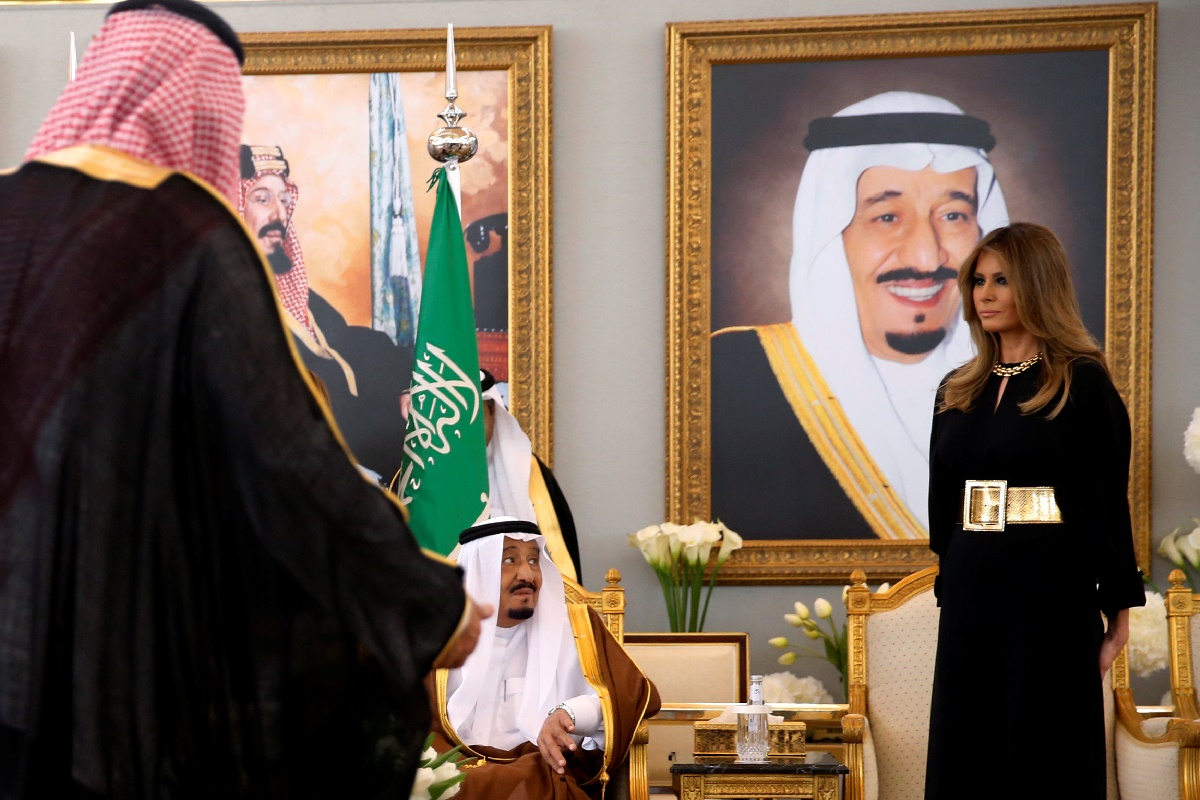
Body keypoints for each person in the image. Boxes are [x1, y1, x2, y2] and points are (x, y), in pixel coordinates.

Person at [0, 2, 488, 797]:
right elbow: (290, 462)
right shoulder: (184, 231)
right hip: (119, 678)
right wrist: (424, 604)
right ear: (198, 103)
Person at [711, 90, 1010, 541]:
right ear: (831, 238)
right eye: (887, 217)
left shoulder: (1026, 387)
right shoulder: (735, 376)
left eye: (953, 215)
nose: (927, 256)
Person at [923, 223, 1145, 799]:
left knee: (1044, 753)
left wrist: (1117, 606)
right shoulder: (956, 388)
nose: (986, 294)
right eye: (978, 281)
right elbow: (943, 501)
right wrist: (951, 576)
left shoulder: (1081, 382)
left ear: (1038, 287)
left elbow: (1105, 499)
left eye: (1003, 280)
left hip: (1048, 589)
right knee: (966, 749)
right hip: (971, 586)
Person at [432, 517, 659, 800]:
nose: (527, 574)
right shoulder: (437, 636)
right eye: (509, 560)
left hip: (544, 775)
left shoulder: (578, 628)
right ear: (479, 571)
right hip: (457, 777)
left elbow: (637, 695)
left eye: (533, 560)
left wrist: (571, 712)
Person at [239, 144, 413, 485]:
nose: (278, 213)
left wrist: (404, 383)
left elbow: (349, 344)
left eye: (284, 200)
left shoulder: (298, 295)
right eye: (261, 198)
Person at [480, 368, 583, 581]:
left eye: (473, 417)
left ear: (492, 411)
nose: (464, 430)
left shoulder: (531, 474)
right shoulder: (423, 483)